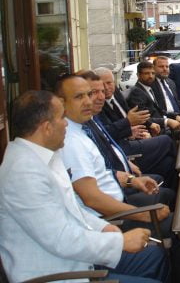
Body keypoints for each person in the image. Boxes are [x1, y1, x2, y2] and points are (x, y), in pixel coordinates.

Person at [0, 90, 169, 283]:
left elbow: (73, 210)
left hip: (80, 257)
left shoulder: (46, 156)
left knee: (155, 257)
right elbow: (61, 239)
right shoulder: (22, 173)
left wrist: (105, 228)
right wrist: (120, 241)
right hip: (62, 273)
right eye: (61, 117)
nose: (66, 124)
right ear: (47, 127)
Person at [57, 75, 180, 283]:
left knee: (172, 191)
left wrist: (131, 180)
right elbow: (92, 199)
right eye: (80, 97)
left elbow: (102, 171)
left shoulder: (82, 128)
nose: (89, 101)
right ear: (61, 103)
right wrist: (143, 215)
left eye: (89, 94)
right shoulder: (70, 141)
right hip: (112, 217)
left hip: (119, 199)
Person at [85, 71, 178, 191]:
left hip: (130, 141)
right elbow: (108, 133)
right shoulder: (95, 110)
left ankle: (177, 193)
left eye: (109, 83)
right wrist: (128, 128)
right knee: (167, 140)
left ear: (114, 82)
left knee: (169, 163)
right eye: (95, 91)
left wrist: (148, 126)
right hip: (124, 150)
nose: (105, 90)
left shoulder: (115, 93)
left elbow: (133, 114)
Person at [128, 61, 180, 134]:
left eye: (153, 73)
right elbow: (142, 118)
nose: (150, 76)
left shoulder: (149, 88)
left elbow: (158, 110)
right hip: (153, 131)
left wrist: (175, 116)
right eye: (146, 73)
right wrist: (167, 121)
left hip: (162, 126)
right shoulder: (136, 92)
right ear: (138, 75)